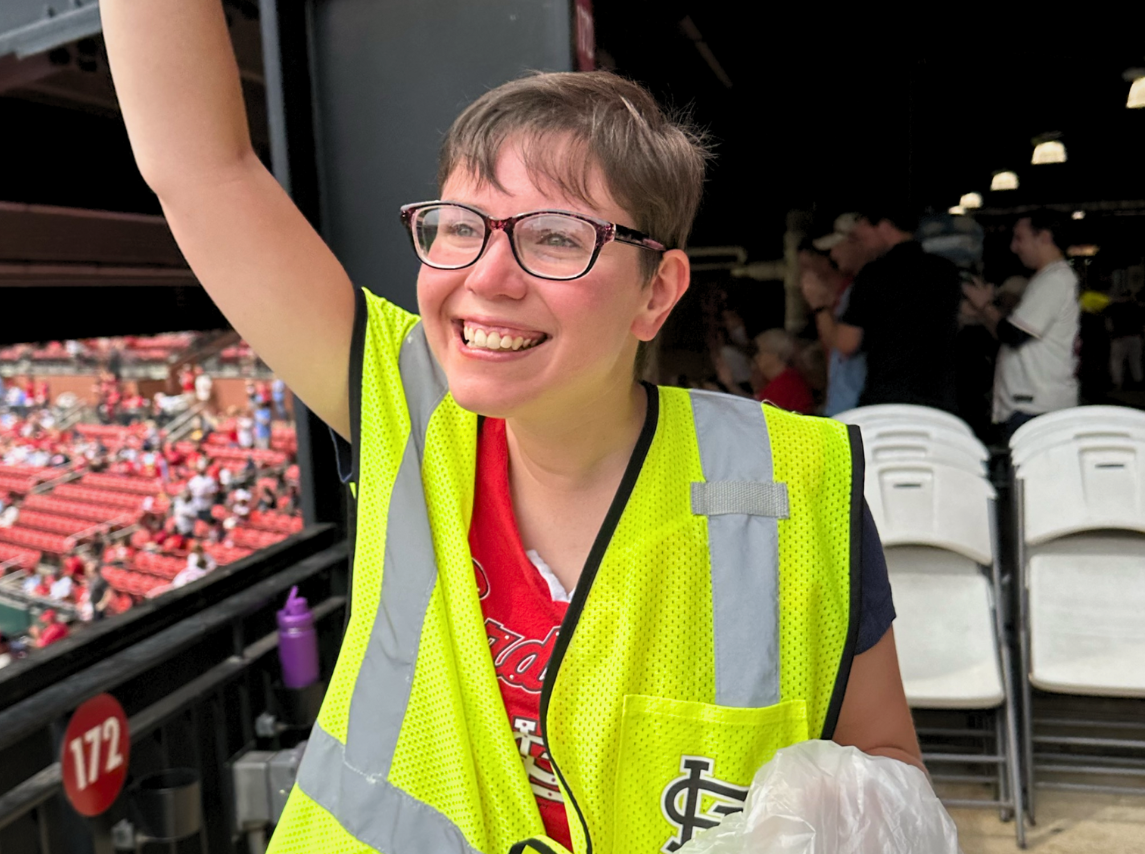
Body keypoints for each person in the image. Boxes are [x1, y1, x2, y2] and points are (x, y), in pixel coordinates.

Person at [104, 10, 923, 851]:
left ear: (657, 291)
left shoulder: (796, 480)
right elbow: (199, 168)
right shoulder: (405, 404)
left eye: (556, 238)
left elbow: (886, 764)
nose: (485, 278)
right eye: (458, 227)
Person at [809, 202, 961, 412]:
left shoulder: (873, 275)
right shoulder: (947, 271)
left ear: (884, 227)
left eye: (862, 234)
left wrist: (819, 307)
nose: (861, 241)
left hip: (885, 401)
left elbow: (846, 343)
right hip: (939, 402)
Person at [962, 209, 1080, 441]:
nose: (1014, 247)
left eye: (1020, 238)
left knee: (1035, 476)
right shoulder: (1047, 278)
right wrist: (982, 311)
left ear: (1044, 237)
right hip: (1032, 405)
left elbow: (1013, 334)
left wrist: (984, 306)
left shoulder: (1055, 279)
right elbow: (1009, 330)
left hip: (1037, 406)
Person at [804, 215, 868, 416]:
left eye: (838, 245)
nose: (834, 253)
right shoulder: (847, 293)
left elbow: (842, 345)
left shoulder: (860, 290)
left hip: (856, 406)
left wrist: (819, 306)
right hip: (846, 402)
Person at [715, 329, 815, 414]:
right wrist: (730, 384)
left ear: (775, 355)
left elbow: (754, 415)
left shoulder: (784, 385)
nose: (757, 357)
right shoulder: (784, 379)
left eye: (760, 352)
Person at [1105, 292, 1144, 390]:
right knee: (1135, 360)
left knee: (1117, 361)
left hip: (1119, 337)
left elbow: (1108, 321)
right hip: (1135, 336)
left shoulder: (1114, 307)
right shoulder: (1136, 306)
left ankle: (1117, 382)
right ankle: (1138, 381)